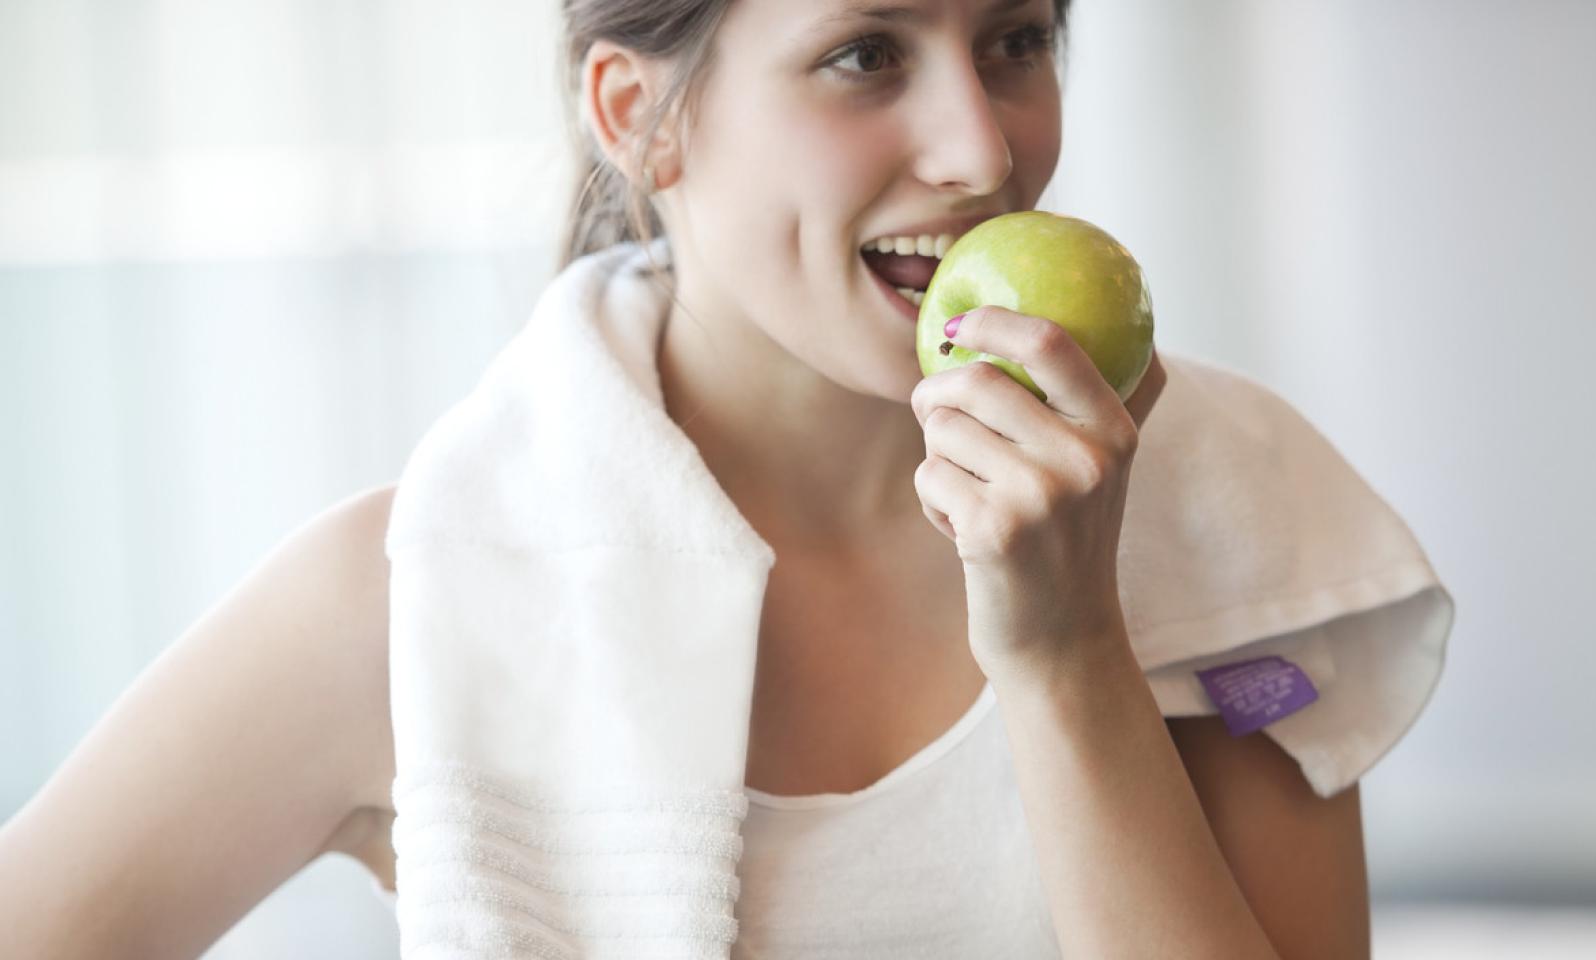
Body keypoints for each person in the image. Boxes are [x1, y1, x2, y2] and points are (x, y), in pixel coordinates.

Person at [0, 1, 1433, 957]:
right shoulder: (414, 596)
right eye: (866, 53)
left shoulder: (1224, 514)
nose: (983, 148)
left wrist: (1066, 657)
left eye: (1014, 39)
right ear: (642, 118)